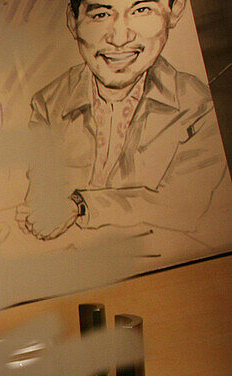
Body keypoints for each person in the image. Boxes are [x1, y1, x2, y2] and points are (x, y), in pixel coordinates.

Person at [17, 0, 225, 240]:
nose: (119, 38)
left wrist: (81, 206)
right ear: (73, 22)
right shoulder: (48, 103)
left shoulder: (200, 106)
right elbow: (40, 194)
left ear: (175, 11)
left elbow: (184, 206)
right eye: (101, 14)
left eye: (141, 10)